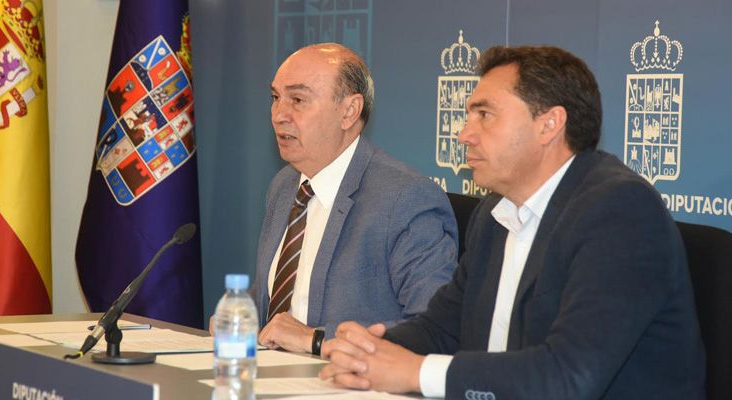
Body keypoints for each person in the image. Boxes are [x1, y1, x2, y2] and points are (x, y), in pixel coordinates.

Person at [320, 45, 705, 399]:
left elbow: (570, 376)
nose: (464, 135)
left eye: (485, 115)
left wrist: (415, 372)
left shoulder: (620, 212)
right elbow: (443, 328)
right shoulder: (495, 213)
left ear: (549, 124)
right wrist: (373, 349)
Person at [249, 43, 458, 355]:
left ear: (349, 111)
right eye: (275, 98)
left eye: (298, 100)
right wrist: (240, 319)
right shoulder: (284, 186)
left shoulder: (405, 198)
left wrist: (317, 340)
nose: (279, 115)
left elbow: (434, 326)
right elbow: (275, 300)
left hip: (351, 376)